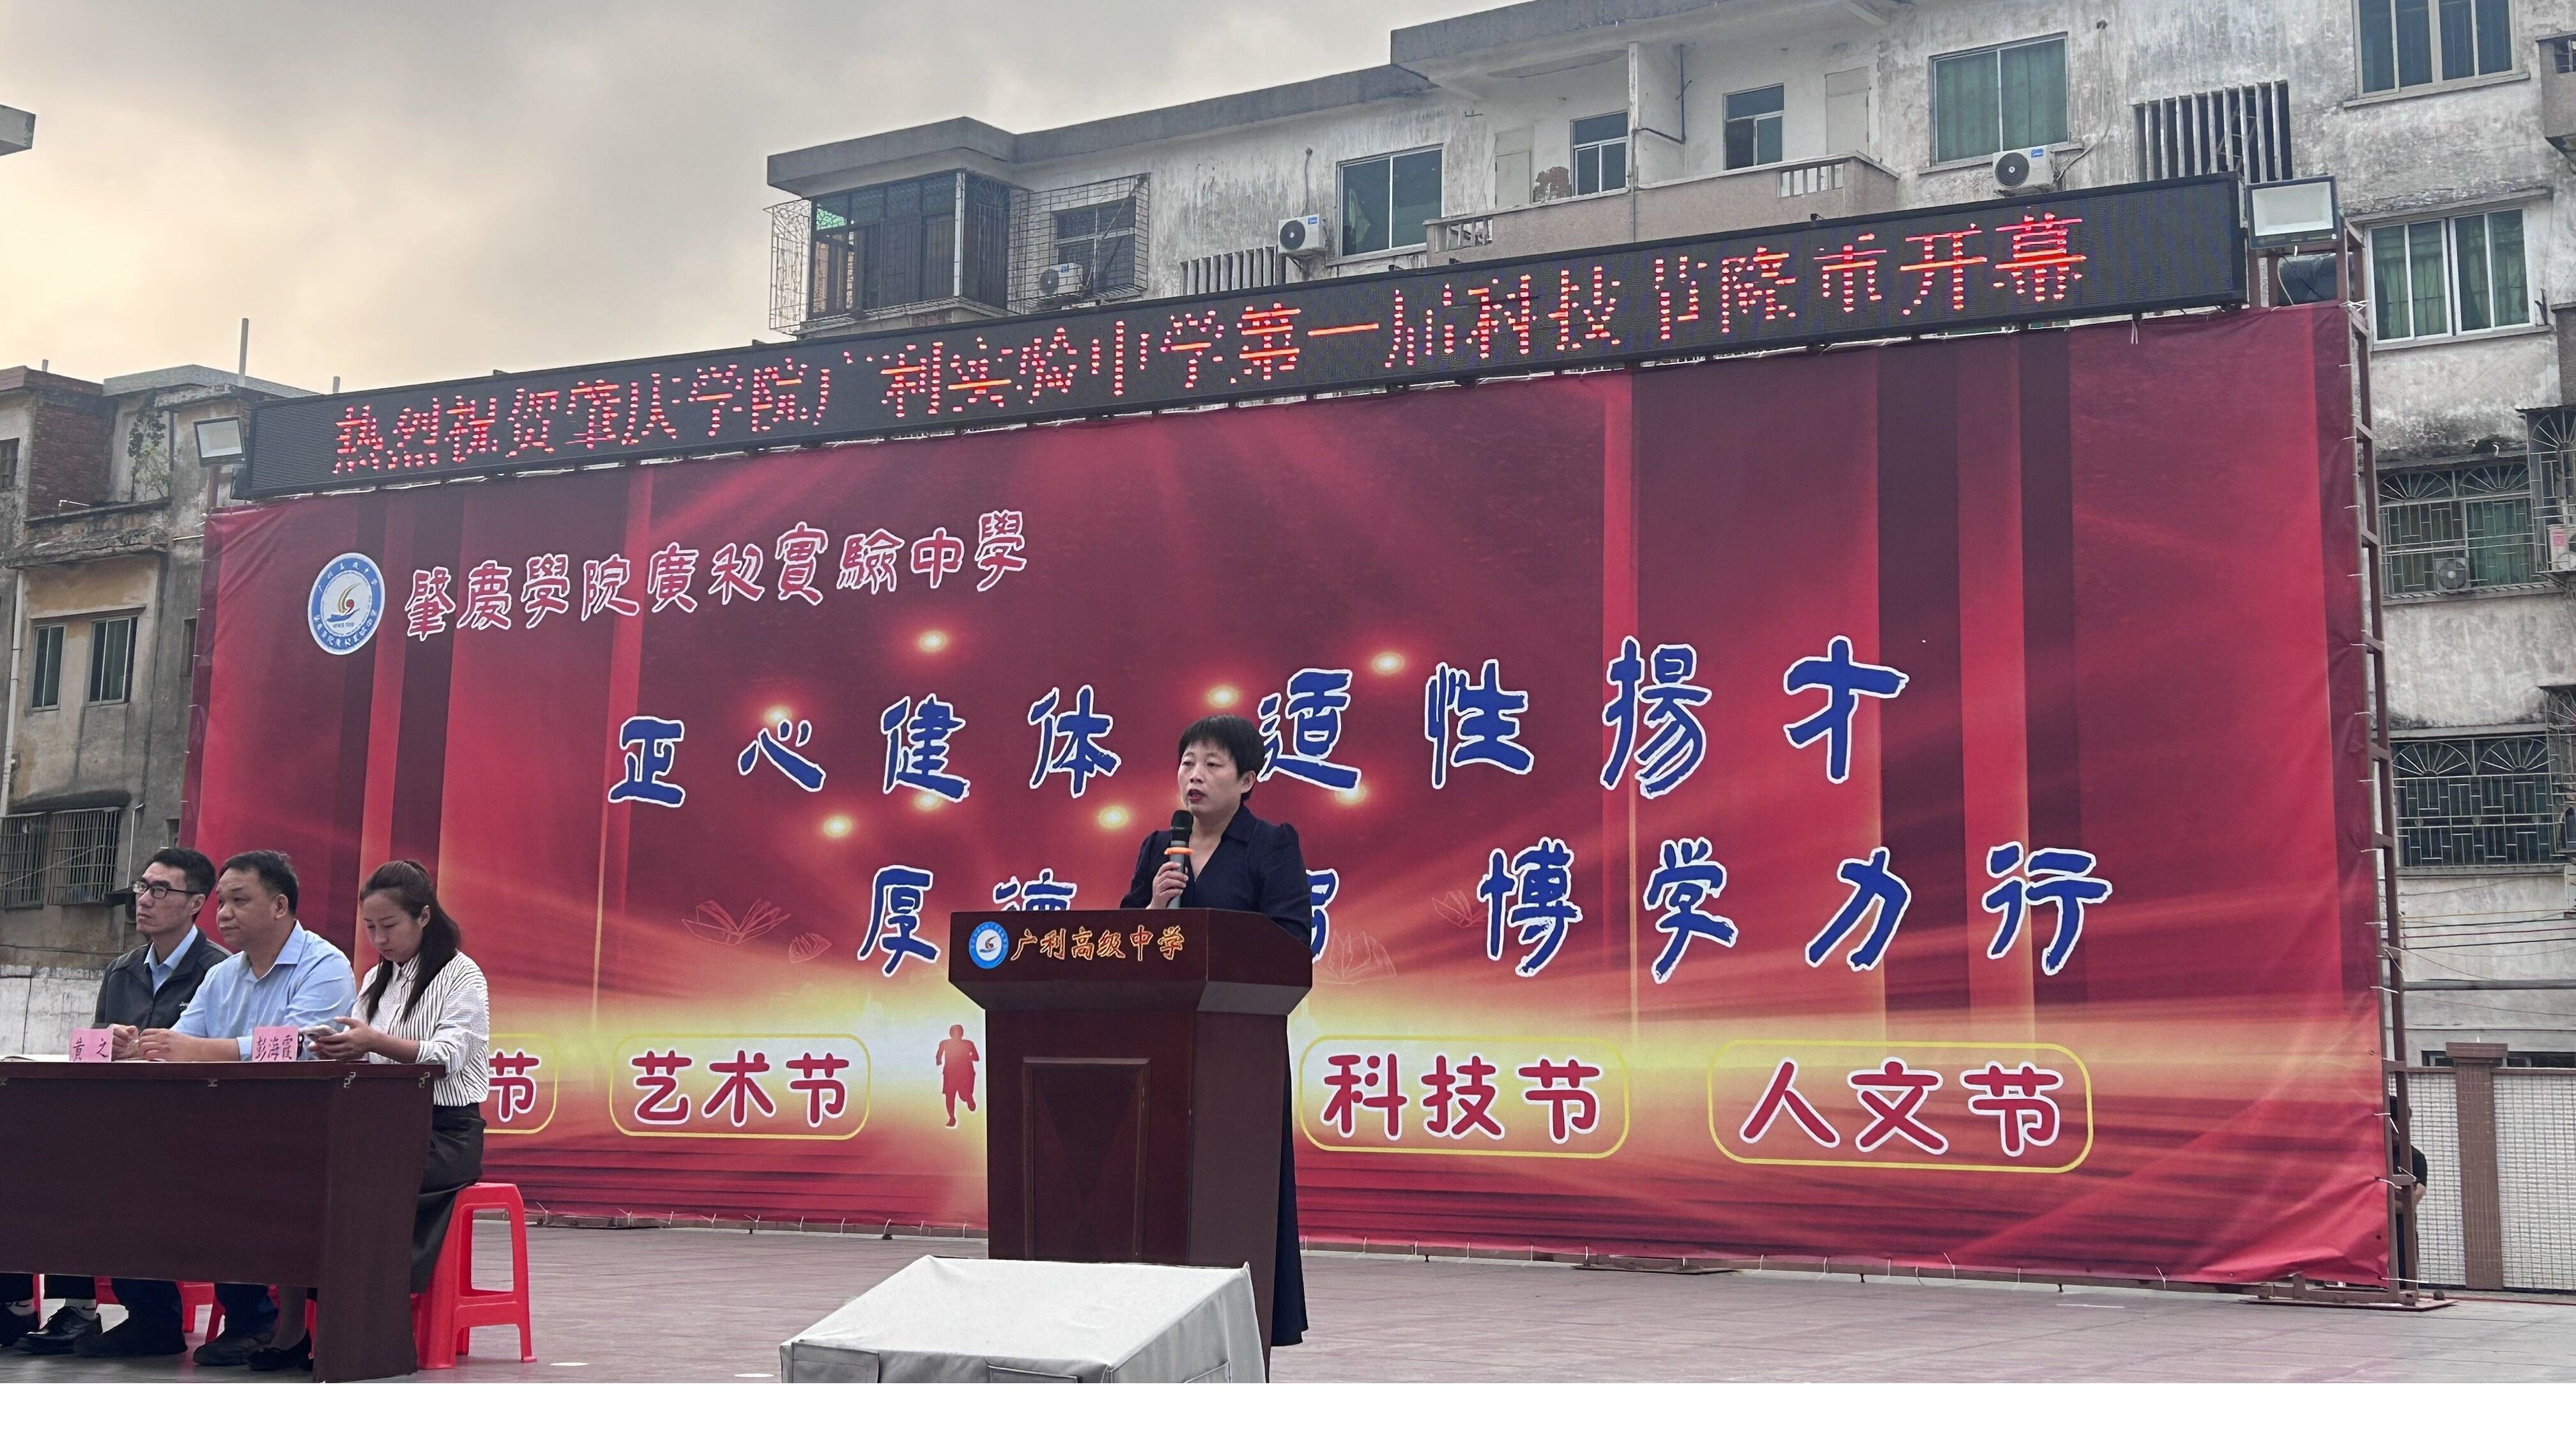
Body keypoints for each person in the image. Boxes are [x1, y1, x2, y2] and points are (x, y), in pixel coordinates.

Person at [86, 850, 356, 1363]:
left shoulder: (325, 965)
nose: (225, 913)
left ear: (280, 906)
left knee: (236, 1173)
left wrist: (203, 1049)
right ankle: (150, 1317)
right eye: (223, 902)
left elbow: (301, 1044)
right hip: (223, 1123)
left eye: (239, 901)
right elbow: (180, 1043)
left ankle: (253, 1320)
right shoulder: (224, 975)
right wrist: (135, 1047)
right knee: (122, 1164)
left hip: (303, 1128)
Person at [1119, 713, 1311, 1347]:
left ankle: (1241, 1335)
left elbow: (1291, 944)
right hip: (1160, 1051)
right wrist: (1154, 906)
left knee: (1235, 1195)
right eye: (1187, 763)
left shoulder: (1271, 845)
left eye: (1212, 764)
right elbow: (1121, 943)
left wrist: (1212, 942)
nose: (1194, 776)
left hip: (1239, 1054)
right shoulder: (1159, 847)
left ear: (1247, 779)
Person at [254, 861, 489, 1373]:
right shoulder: (377, 977)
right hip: (380, 1125)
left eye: (390, 926)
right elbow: (362, 1044)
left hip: (444, 1134)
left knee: (350, 1183)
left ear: (423, 917)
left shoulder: (462, 974)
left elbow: (446, 1056)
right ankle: (291, 1329)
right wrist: (341, 1047)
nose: (380, 939)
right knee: (298, 1177)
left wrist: (373, 1042)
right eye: (370, 928)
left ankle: (363, 1333)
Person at [1, 847, 226, 1355]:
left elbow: (217, 1053)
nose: (144, 900)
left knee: (108, 1170)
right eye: (143, 887)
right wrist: (109, 1043)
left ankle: (146, 1315)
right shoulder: (123, 970)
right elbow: (91, 1050)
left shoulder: (218, 971)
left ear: (196, 903)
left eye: (160, 890)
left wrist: (156, 1050)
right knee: (29, 1156)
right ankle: (36, 1305)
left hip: (188, 1124)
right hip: (121, 1117)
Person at [937, 1024, 979, 1128]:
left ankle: (968, 1098)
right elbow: (939, 1054)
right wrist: (939, 1060)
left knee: (964, 1096)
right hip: (950, 1075)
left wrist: (969, 1057)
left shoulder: (968, 1044)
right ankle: (952, 1118)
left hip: (965, 1075)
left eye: (959, 1033)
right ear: (951, 1034)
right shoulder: (945, 1043)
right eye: (955, 1032)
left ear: (962, 1034)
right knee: (950, 1096)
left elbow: (976, 1057)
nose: (957, 1035)